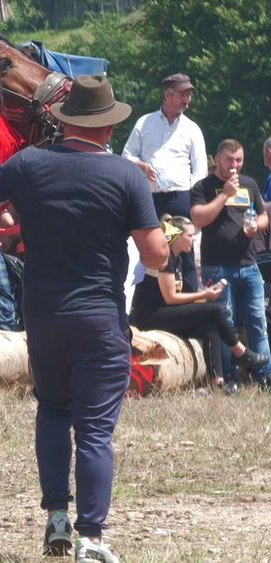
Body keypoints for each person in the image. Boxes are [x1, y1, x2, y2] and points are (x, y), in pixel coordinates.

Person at [0, 74, 169, 562]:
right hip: (100, 317)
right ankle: (91, 539)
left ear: (64, 122)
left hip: (43, 314)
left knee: (54, 411)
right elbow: (156, 255)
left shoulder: (30, 163)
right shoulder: (127, 176)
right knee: (96, 431)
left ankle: (57, 518)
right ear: (107, 128)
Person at [131, 215, 269, 386]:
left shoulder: (178, 257)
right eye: (189, 235)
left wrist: (204, 295)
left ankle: (217, 380)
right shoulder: (165, 257)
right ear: (177, 236)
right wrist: (204, 295)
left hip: (163, 311)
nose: (193, 239)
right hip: (149, 316)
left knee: (210, 325)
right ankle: (240, 352)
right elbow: (171, 297)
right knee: (214, 310)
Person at [190, 139, 271, 393]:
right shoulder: (204, 186)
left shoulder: (249, 184)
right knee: (227, 323)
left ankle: (264, 375)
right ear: (218, 159)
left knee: (257, 320)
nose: (234, 165)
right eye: (229, 160)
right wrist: (224, 194)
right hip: (217, 266)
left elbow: (263, 215)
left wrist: (257, 226)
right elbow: (198, 219)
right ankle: (229, 377)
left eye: (239, 160)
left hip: (248, 264)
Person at [122, 73, 207, 292]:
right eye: (183, 94)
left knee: (182, 250)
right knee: (151, 249)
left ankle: (187, 298)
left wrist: (193, 203)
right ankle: (149, 298)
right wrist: (140, 166)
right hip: (150, 199)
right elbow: (126, 156)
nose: (187, 99)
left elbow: (200, 171)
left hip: (179, 199)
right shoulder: (145, 122)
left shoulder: (192, 129)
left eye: (189, 94)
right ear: (168, 96)